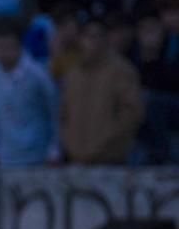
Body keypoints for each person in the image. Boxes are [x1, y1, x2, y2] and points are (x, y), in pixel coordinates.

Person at [61, 16, 144, 164]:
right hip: (76, 158)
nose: (93, 42)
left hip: (111, 160)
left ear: (106, 39)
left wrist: (109, 141)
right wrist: (69, 143)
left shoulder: (122, 71)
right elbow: (64, 113)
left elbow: (132, 113)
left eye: (98, 36)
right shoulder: (73, 75)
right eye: (88, 36)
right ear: (80, 39)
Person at [0, 25, 59, 166]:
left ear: (19, 47)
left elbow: (55, 111)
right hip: (6, 158)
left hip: (37, 155)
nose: (4, 52)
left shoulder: (38, 75)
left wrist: (54, 149)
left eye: (8, 47)